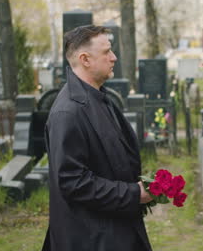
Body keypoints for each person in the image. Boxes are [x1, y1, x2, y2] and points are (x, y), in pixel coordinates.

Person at [42, 25, 153, 251]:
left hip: (114, 229)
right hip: (92, 238)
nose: (114, 58)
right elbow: (73, 181)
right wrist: (134, 194)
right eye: (106, 52)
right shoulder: (68, 112)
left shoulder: (97, 96)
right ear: (85, 59)